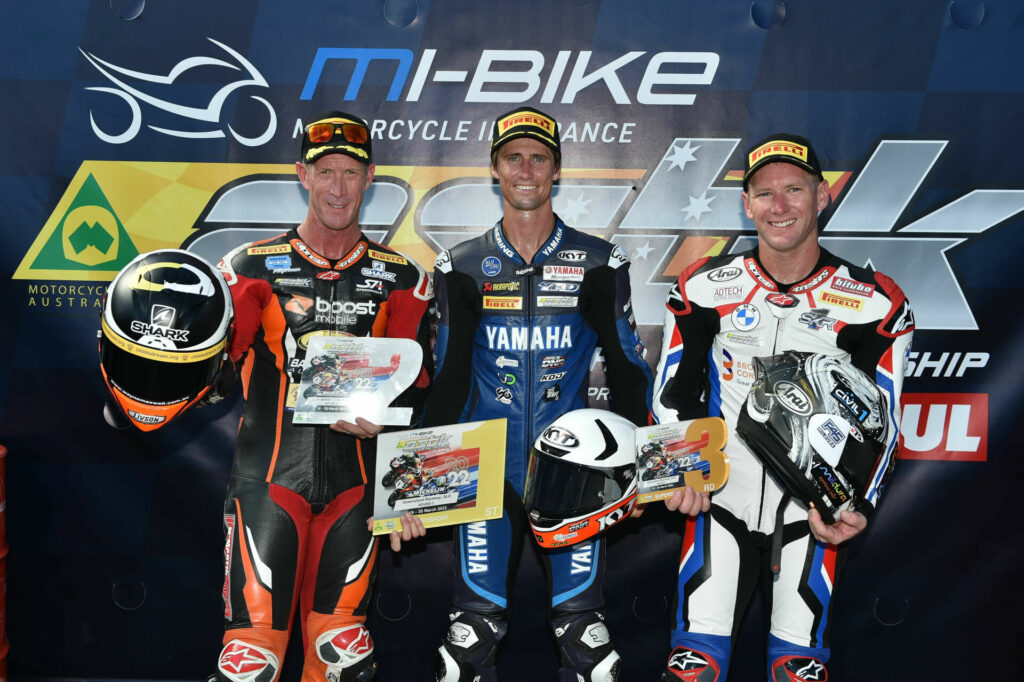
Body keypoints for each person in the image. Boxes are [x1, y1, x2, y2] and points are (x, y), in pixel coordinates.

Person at [652, 134, 914, 681]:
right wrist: (677, 469)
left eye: (794, 189)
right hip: (719, 499)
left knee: (797, 669)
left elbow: (885, 423)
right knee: (692, 669)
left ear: (821, 196)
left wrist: (854, 503)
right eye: (765, 193)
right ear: (746, 204)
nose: (779, 206)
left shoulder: (876, 301)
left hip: (812, 511)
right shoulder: (702, 284)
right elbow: (673, 391)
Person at [422, 107, 654, 682]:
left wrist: (644, 465)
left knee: (587, 644)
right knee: (467, 645)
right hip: (485, 470)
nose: (526, 169)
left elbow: (627, 368)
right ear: (495, 169)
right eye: (513, 158)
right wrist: (420, 483)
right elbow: (447, 380)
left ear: (556, 170)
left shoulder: (600, 261)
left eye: (539, 158)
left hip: (574, 470)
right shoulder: (461, 265)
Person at [208, 111, 430, 682]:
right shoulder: (248, 267)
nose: (338, 188)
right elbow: (214, 382)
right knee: (249, 665)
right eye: (325, 171)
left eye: (350, 172)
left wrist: (402, 478)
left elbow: (423, 394)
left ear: (371, 176)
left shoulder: (403, 278)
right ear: (302, 175)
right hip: (267, 486)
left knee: (342, 661)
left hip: (356, 495)